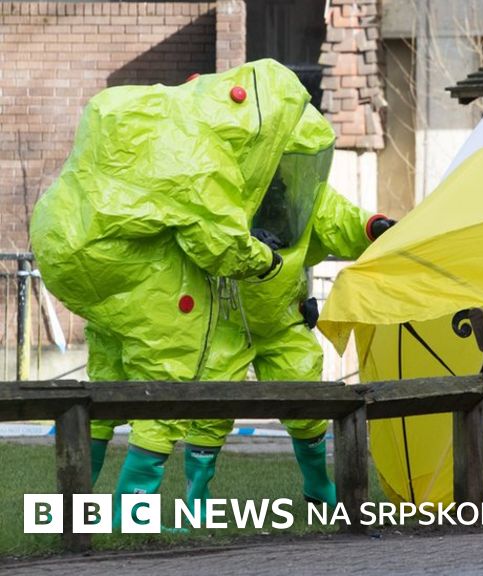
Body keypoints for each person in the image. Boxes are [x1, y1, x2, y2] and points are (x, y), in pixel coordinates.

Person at [30, 59, 314, 525]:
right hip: (122, 258)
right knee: (170, 373)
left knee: (109, 374)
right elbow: (220, 246)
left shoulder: (165, 113)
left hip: (64, 244)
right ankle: (131, 512)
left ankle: (69, 510)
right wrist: (267, 262)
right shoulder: (204, 151)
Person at [181, 103, 395, 513]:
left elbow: (338, 217)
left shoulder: (301, 193)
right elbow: (207, 234)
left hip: (283, 316)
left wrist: (374, 227)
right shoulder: (224, 187)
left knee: (305, 394)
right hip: (224, 319)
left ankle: (317, 487)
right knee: (211, 404)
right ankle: (196, 500)